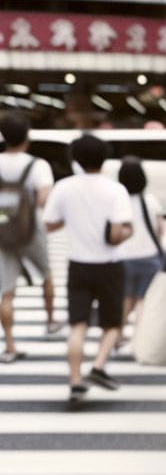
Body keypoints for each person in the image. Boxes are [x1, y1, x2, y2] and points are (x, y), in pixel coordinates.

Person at [42, 134, 133, 404]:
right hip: (109, 265)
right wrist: (127, 232)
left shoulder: (64, 187)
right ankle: (98, 366)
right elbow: (116, 234)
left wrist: (73, 221)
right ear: (104, 159)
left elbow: (49, 224)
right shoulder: (115, 190)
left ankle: (74, 381)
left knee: (77, 325)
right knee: (113, 323)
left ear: (76, 159)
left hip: (78, 263)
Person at [0, 112, 63, 362]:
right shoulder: (37, 165)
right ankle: (50, 320)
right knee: (46, 274)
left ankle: (10, 346)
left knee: (6, 291)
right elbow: (43, 198)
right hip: (31, 230)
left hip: (2, 230)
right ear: (27, 136)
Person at [115, 157, 165, 350]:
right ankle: (139, 339)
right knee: (144, 301)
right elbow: (160, 228)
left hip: (124, 258)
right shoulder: (150, 201)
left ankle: (118, 334)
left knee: (125, 299)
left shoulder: (118, 202)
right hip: (150, 258)